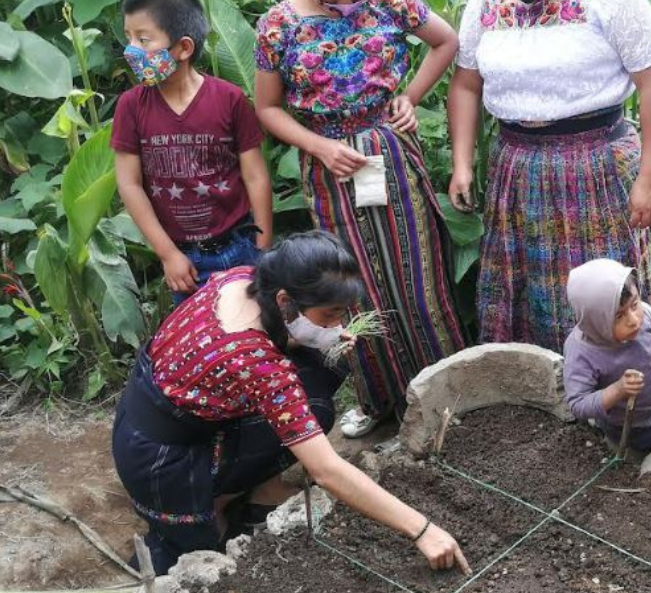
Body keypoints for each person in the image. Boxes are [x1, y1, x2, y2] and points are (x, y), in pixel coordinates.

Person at [112, 231, 470, 575]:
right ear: (285, 300)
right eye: (331, 313)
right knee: (195, 557)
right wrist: (423, 530)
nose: (340, 323)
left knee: (313, 400)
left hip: (176, 411)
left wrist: (317, 332)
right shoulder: (254, 360)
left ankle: (242, 494)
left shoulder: (242, 280)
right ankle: (208, 510)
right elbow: (326, 470)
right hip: (157, 455)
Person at [254, 0, 466, 438]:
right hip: (330, 166)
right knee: (356, 285)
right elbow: (268, 109)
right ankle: (380, 400)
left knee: (420, 275)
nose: (349, 1)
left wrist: (409, 98)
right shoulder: (277, 26)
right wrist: (320, 146)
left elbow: (447, 41)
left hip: (391, 150)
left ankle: (450, 391)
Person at [446, 0, 651, 353]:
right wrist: (463, 164)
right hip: (516, 165)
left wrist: (650, 177)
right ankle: (542, 381)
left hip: (597, 163)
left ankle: (621, 384)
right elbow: (466, 83)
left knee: (603, 283)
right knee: (526, 279)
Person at [112, 0, 273, 305]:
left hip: (240, 246)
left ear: (183, 48)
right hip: (183, 262)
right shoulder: (131, 106)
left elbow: (255, 175)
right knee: (199, 349)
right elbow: (129, 184)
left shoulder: (229, 99)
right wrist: (167, 254)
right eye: (128, 37)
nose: (131, 49)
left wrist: (263, 247)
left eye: (143, 40)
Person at [563, 259, 651, 452]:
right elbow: (578, 403)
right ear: (595, 320)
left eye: (634, 304)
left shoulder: (645, 315)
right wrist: (617, 390)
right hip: (632, 424)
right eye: (618, 316)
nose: (633, 320)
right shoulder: (581, 351)